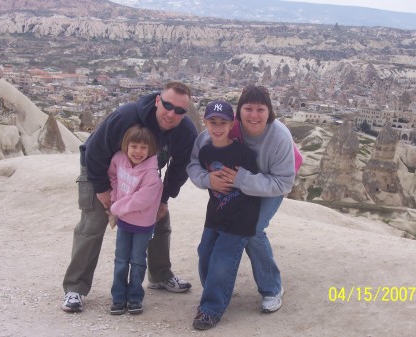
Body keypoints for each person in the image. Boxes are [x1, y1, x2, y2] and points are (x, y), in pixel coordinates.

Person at [62, 81, 198, 313]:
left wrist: (163, 198)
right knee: (92, 225)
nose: (171, 113)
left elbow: (179, 167)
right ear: (158, 100)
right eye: (167, 105)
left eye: (180, 110)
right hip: (102, 172)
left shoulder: (185, 131)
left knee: (159, 222)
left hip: (142, 178)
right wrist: (103, 188)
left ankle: (160, 275)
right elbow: (95, 150)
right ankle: (75, 289)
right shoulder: (126, 117)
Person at [186, 85, 295, 314]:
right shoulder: (226, 127)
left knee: (253, 230)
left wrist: (242, 179)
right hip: (238, 185)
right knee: (215, 238)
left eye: (260, 109)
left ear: (269, 112)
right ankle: (215, 287)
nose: (254, 116)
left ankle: (272, 288)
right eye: (248, 109)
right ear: (238, 112)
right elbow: (195, 161)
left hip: (271, 184)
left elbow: (283, 183)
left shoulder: (279, 136)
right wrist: (207, 180)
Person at [186, 100, 260, 330]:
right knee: (205, 254)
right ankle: (215, 292)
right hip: (215, 214)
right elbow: (199, 172)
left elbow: (256, 184)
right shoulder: (206, 151)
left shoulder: (244, 153)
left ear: (231, 125)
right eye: (212, 122)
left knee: (222, 260)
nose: (217, 127)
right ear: (206, 123)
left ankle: (211, 309)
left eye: (223, 123)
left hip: (240, 217)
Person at [108, 125, 163, 315]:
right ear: (126, 146)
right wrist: (115, 197)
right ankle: (118, 297)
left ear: (150, 150)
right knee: (121, 260)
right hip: (124, 221)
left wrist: (115, 208)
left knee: (138, 261)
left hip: (142, 224)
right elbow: (113, 176)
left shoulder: (151, 175)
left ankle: (135, 297)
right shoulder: (119, 160)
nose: (138, 152)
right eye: (134, 146)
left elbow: (142, 200)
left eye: (143, 147)